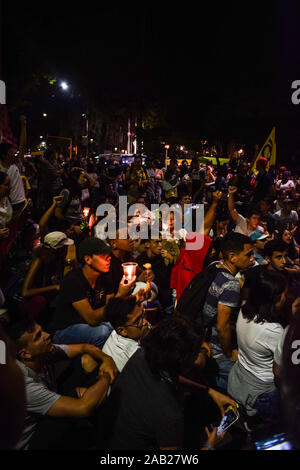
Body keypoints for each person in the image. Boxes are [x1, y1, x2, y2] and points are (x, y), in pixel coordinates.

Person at [100, 316, 234, 451]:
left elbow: (171, 376)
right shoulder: (170, 413)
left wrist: (208, 391)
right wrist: (210, 446)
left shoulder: (143, 355)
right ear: (185, 364)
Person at [6, 318, 117, 450]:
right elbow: (83, 408)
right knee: (80, 396)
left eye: (42, 331)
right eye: (38, 337)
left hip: (46, 408)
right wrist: (106, 375)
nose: (47, 335)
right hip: (32, 441)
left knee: (87, 359)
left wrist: (107, 359)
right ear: (25, 354)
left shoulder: (45, 352)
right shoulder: (24, 385)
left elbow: (84, 347)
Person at [227, 270, 288, 426]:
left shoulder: (244, 310)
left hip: (241, 375)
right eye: (284, 295)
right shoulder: (272, 330)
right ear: (273, 299)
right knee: (271, 429)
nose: (286, 298)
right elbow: (279, 369)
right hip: (263, 391)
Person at [48, 237, 133, 349]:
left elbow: (110, 308)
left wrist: (132, 296)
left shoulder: (104, 274)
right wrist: (120, 296)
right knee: (102, 332)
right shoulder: (73, 280)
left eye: (108, 255)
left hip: (93, 323)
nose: (108, 259)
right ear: (88, 260)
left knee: (120, 324)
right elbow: (91, 319)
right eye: (103, 256)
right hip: (65, 329)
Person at [202, 232, 255, 390]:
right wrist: (229, 353)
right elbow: (222, 326)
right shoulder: (231, 284)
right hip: (217, 348)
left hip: (204, 338)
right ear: (232, 257)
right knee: (238, 387)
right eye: (248, 254)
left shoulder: (215, 266)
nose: (252, 259)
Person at [102, 296, 152, 372]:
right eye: (138, 321)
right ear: (122, 331)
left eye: (143, 314)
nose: (145, 322)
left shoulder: (117, 333)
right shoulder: (134, 355)